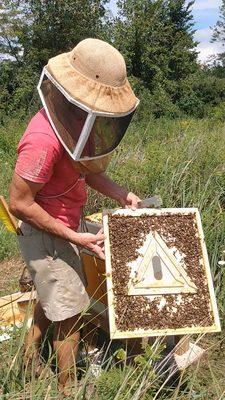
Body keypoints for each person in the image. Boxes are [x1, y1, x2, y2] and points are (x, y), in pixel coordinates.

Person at [9, 38, 140, 394]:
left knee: (51, 295)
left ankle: (28, 358)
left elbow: (87, 169)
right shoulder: (42, 140)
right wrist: (73, 236)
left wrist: (121, 193)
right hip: (44, 229)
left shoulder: (76, 122)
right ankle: (70, 388)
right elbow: (19, 203)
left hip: (69, 221)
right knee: (68, 314)